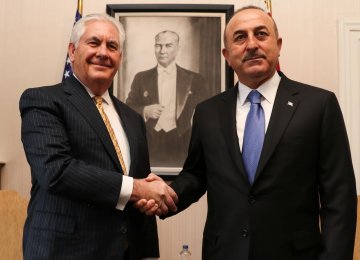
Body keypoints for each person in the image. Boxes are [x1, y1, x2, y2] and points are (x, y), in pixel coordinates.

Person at [138, 6, 358, 260]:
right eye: (240, 37)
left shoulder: (318, 105)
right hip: (224, 252)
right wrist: (167, 196)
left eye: (261, 34)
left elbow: (339, 198)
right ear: (227, 55)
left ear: (278, 45)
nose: (251, 44)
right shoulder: (208, 112)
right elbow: (197, 175)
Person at [19, 13, 177, 260]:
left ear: (120, 58)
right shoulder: (43, 101)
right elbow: (56, 172)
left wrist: (148, 245)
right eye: (94, 43)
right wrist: (137, 189)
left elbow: (140, 186)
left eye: (112, 46)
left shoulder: (133, 118)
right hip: (64, 251)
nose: (103, 52)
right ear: (72, 51)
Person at [126, 30, 209, 167]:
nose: (162, 50)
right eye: (158, 45)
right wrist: (145, 110)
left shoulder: (195, 79)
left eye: (168, 45)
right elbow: (127, 108)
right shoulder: (141, 78)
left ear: (177, 49)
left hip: (182, 142)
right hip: (149, 141)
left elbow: (207, 115)